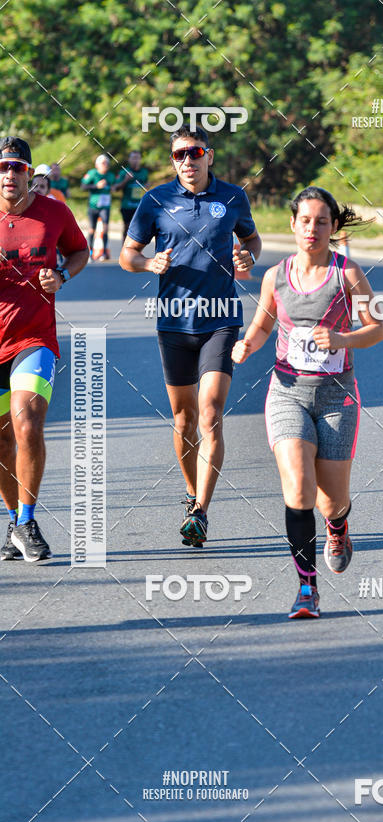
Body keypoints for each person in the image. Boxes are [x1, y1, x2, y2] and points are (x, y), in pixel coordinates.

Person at [232, 186, 383, 618]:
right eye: (305, 220)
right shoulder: (276, 276)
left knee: (331, 500)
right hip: (287, 392)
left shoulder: (347, 274)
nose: (312, 228)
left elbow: (377, 329)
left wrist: (342, 338)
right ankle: (306, 588)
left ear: (333, 227)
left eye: (321, 221)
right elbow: (262, 325)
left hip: (338, 395)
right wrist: (247, 344)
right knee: (298, 488)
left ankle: (338, 526)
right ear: (293, 224)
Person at [119, 126, 261, 548]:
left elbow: (251, 238)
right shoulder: (156, 200)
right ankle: (190, 492)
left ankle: (200, 511)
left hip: (221, 319)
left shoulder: (233, 197)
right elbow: (128, 254)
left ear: (209, 155)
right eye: (179, 154)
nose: (187, 161)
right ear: (173, 160)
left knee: (210, 412)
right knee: (183, 420)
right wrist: (149, 264)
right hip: (173, 322)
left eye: (194, 152)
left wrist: (247, 255)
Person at [0, 136, 88, 562]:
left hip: (34, 339)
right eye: (3, 167)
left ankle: (27, 521)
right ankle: (14, 519)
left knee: (28, 424)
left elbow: (79, 251)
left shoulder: (54, 212)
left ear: (30, 174)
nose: (9, 175)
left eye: (17, 167)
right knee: (0, 442)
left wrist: (62, 278)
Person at [81, 154, 115, 261]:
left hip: (105, 206)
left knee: (105, 228)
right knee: (92, 229)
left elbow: (116, 186)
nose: (105, 165)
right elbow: (83, 186)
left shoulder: (110, 176)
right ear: (97, 165)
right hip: (93, 206)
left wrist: (114, 188)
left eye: (107, 163)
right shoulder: (92, 173)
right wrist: (96, 186)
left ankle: (104, 252)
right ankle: (90, 253)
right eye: (103, 163)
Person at [115, 150, 149, 244]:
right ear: (129, 159)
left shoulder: (144, 172)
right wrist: (126, 180)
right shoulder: (124, 172)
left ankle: (135, 253)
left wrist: (147, 186)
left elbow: (146, 187)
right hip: (127, 206)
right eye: (133, 158)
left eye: (137, 158)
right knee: (127, 228)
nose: (135, 160)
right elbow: (116, 188)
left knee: (139, 230)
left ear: (140, 159)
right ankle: (124, 251)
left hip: (139, 206)